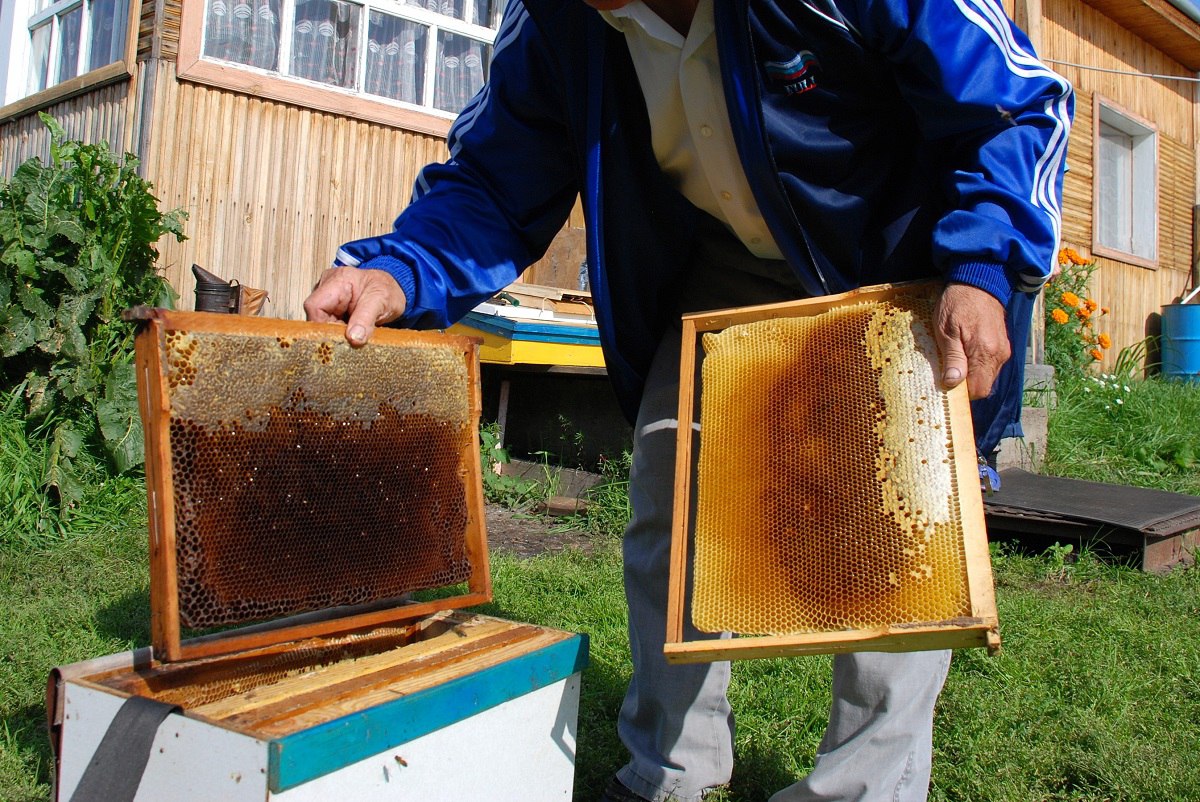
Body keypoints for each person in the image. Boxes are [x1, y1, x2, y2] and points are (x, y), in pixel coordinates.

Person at [305, 0, 1073, 798]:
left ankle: (865, 787)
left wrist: (983, 262)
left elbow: (1017, 104)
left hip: (892, 258)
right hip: (718, 270)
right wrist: (400, 267)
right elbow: (499, 177)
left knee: (902, 528)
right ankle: (669, 773)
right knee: (670, 497)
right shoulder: (554, 19)